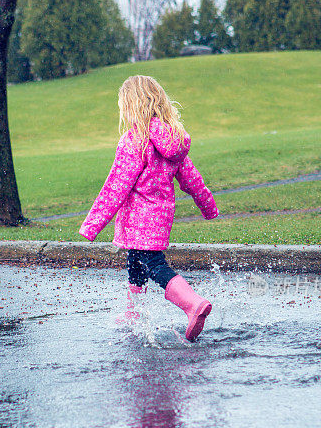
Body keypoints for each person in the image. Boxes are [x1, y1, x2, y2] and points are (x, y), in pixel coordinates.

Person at [79, 75, 219, 341]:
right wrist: (208, 206)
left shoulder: (135, 141)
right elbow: (192, 179)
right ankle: (133, 312)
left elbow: (115, 187)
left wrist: (92, 225)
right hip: (159, 219)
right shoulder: (174, 141)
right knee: (136, 260)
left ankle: (192, 304)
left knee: (153, 264)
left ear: (130, 106)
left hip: (138, 219)